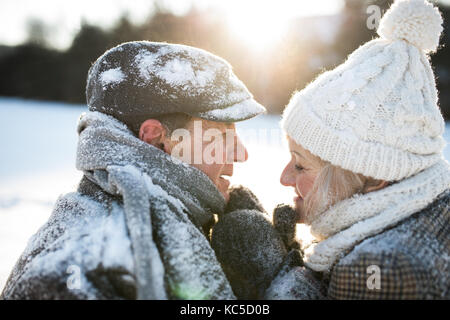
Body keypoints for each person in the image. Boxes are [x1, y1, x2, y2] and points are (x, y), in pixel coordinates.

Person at [212, 0, 450, 299]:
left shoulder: (380, 270)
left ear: (374, 178)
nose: (284, 179)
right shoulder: (428, 212)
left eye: (300, 165)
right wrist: (292, 260)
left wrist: (270, 280)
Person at [0, 41, 266, 300]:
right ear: (156, 139)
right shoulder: (89, 272)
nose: (241, 153)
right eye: (220, 135)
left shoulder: (171, 224)